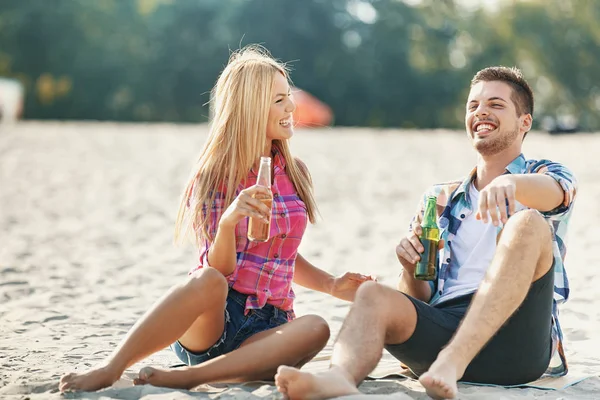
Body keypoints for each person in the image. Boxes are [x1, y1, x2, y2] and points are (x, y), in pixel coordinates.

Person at [59, 45, 374, 393]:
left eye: (289, 97)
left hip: (268, 325)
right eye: (279, 100)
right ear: (250, 108)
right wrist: (229, 222)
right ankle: (111, 367)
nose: (291, 107)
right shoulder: (214, 176)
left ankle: (192, 377)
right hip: (212, 318)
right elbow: (219, 270)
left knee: (317, 326)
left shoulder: (295, 173)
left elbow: (281, 254)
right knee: (208, 279)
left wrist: (331, 285)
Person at [275, 66, 577, 400]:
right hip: (445, 329)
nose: (481, 112)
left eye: (496, 104)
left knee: (529, 224)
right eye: (473, 106)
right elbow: (419, 300)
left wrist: (511, 182)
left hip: (517, 343)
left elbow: (558, 192)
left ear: (525, 123)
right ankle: (340, 377)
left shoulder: (543, 176)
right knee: (373, 294)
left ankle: (453, 361)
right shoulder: (439, 199)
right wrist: (409, 268)